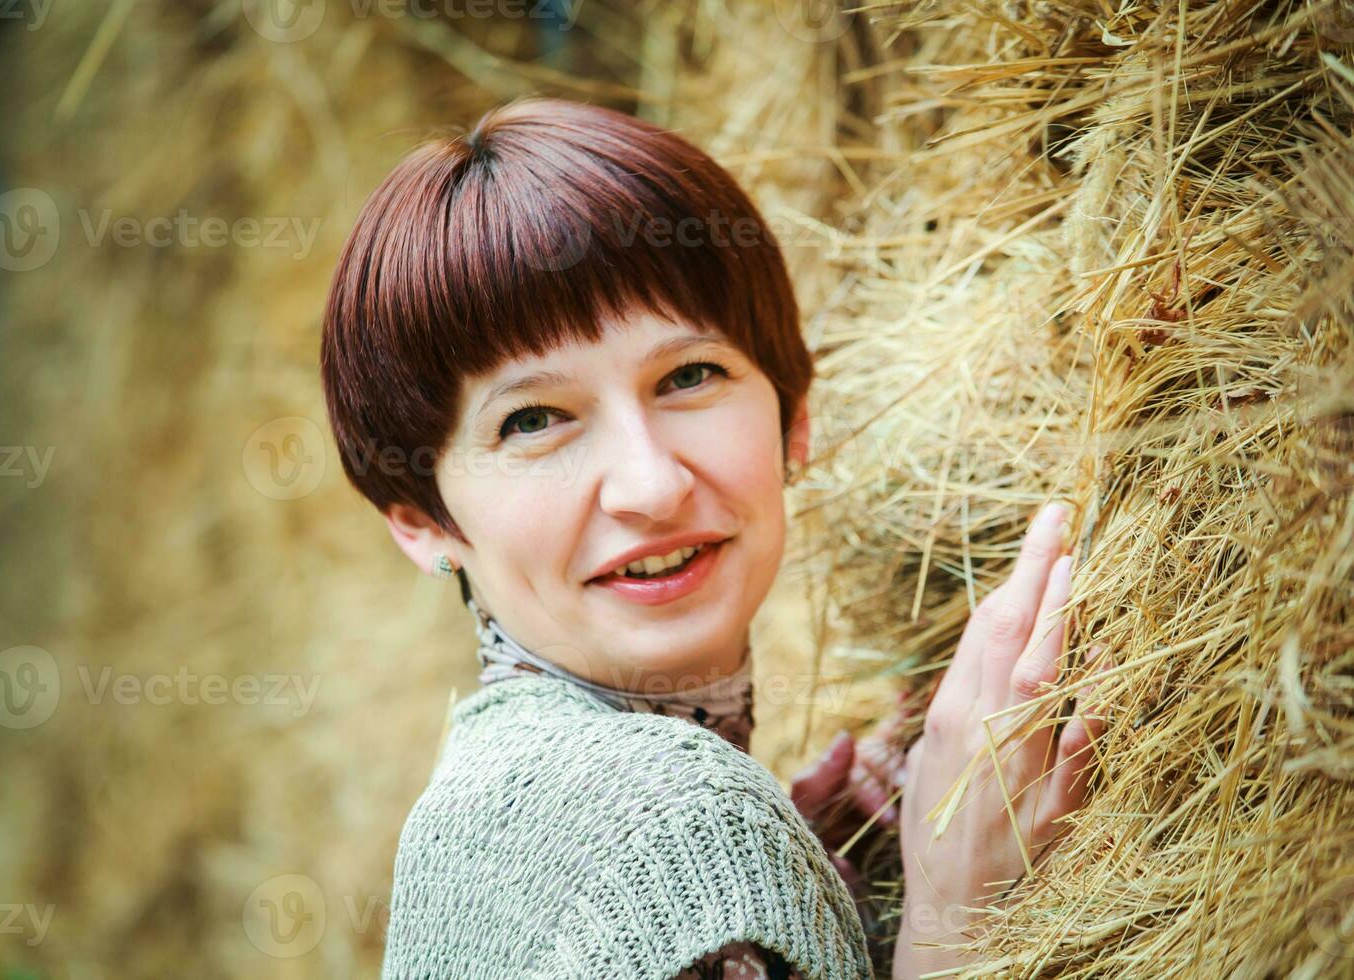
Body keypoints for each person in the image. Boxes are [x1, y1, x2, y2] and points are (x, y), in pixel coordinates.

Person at [321, 95, 1110, 979]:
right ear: (423, 522)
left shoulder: (479, 811)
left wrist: (799, 899)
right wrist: (955, 928)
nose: (652, 485)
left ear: (793, 420)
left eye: (690, 375)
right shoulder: (670, 820)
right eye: (534, 419)